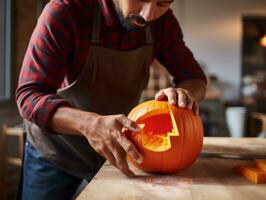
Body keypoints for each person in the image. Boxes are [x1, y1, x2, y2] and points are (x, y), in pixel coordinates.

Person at [16, 0, 207, 199]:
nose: (147, 15)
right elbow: (29, 96)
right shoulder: (64, 12)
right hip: (57, 151)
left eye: (162, 3)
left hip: (118, 151)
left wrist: (184, 94)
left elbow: (194, 78)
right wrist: (90, 123)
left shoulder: (162, 22)